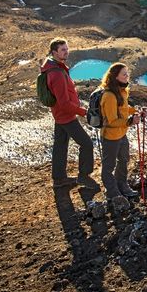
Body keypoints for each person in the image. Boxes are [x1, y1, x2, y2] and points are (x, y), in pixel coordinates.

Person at [42, 38, 99, 190]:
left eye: (67, 49)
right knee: (86, 144)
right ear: (54, 52)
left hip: (60, 115)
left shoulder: (55, 68)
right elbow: (64, 103)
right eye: (63, 50)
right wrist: (84, 112)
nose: (66, 52)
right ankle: (84, 176)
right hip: (66, 116)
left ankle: (59, 179)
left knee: (60, 146)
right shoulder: (57, 74)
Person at [98, 62, 141, 206]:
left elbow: (123, 108)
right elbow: (111, 121)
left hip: (122, 134)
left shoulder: (122, 91)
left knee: (123, 160)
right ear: (115, 77)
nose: (127, 75)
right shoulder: (109, 95)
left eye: (127, 72)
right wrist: (129, 122)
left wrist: (135, 111)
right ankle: (112, 192)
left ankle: (122, 185)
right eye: (124, 74)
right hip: (110, 136)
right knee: (108, 166)